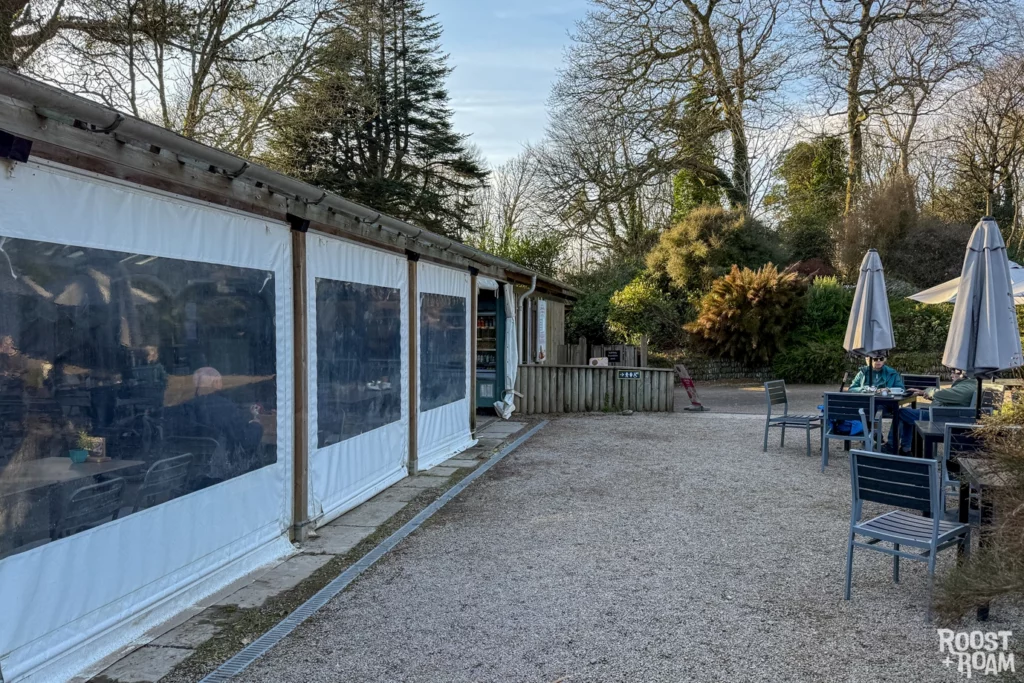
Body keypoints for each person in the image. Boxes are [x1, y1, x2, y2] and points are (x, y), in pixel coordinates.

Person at [885, 369, 977, 455]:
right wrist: (926, 393)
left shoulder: (967, 387)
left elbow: (941, 394)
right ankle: (905, 449)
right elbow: (949, 398)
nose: (951, 375)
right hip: (945, 415)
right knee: (907, 414)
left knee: (902, 413)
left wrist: (926, 391)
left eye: (953, 372)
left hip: (940, 419)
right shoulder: (969, 385)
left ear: (962, 373)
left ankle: (891, 446)